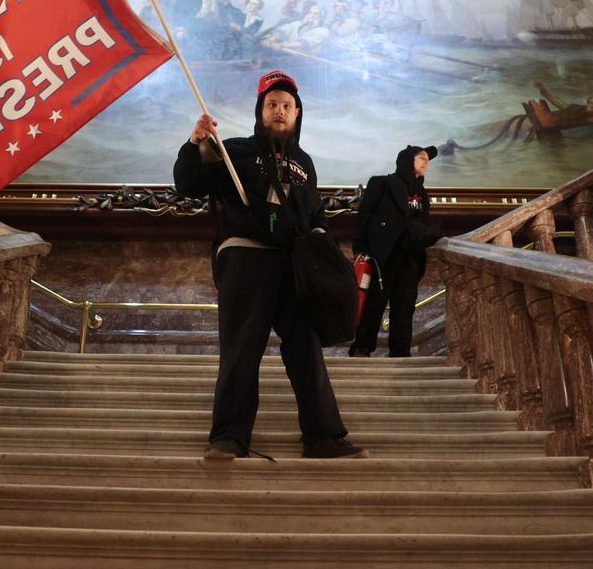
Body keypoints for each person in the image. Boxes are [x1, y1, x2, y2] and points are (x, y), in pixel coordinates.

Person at [174, 70, 366, 460]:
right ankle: (229, 436)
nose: (279, 111)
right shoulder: (233, 151)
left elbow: (316, 216)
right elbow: (189, 184)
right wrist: (196, 143)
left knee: (306, 350)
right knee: (241, 349)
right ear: (260, 110)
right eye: (272, 104)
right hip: (246, 257)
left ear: (298, 113)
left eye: (286, 106)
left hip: (293, 265)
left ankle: (323, 437)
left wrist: (322, 250)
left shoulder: (305, 163)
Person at [349, 145, 440, 358]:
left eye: (428, 159)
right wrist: (360, 249)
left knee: (405, 306)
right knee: (374, 304)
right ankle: (362, 347)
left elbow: (423, 223)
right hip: (383, 256)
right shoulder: (381, 183)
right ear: (407, 160)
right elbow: (364, 217)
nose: (426, 162)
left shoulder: (422, 194)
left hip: (410, 258)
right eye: (421, 158)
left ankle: (400, 353)